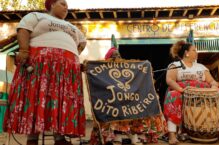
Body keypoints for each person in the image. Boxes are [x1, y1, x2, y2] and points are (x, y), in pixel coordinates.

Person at [4, 0, 86, 145]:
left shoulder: (72, 27)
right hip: (40, 64)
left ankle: (60, 138)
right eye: (62, 3)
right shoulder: (36, 16)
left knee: (62, 99)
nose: (66, 7)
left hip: (66, 70)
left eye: (67, 5)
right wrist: (24, 50)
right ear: (52, 4)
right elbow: (23, 29)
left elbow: (82, 42)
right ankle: (32, 139)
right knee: (36, 95)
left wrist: (73, 57)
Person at [164, 40, 219, 145]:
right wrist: (180, 89)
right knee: (173, 95)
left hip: (205, 93)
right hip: (183, 92)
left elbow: (212, 81)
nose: (197, 52)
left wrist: (214, 87)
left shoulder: (200, 66)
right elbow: (170, 80)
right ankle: (172, 134)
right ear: (186, 52)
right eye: (194, 50)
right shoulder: (175, 65)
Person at [90, 47, 167, 145]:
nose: (117, 57)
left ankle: (135, 135)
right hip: (112, 101)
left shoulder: (127, 68)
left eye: (118, 55)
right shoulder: (103, 72)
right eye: (114, 55)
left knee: (150, 100)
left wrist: (146, 67)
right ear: (108, 58)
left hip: (128, 100)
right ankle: (116, 136)